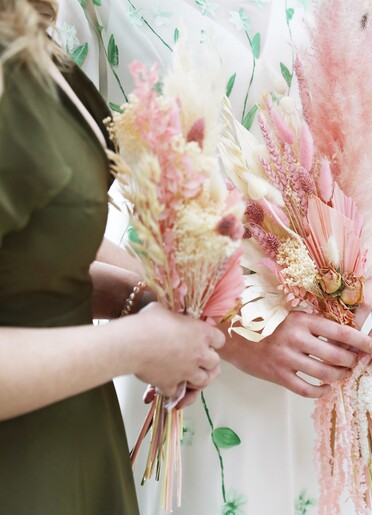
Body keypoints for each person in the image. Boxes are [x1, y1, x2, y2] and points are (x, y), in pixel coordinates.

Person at [55, 2, 372, 513]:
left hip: (331, 358)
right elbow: (52, 215)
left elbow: (352, 133)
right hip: (191, 353)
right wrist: (225, 323)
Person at [0, 1, 226, 513]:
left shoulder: (25, 27)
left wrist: (129, 296)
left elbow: (23, 263)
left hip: (75, 434)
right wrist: (133, 346)